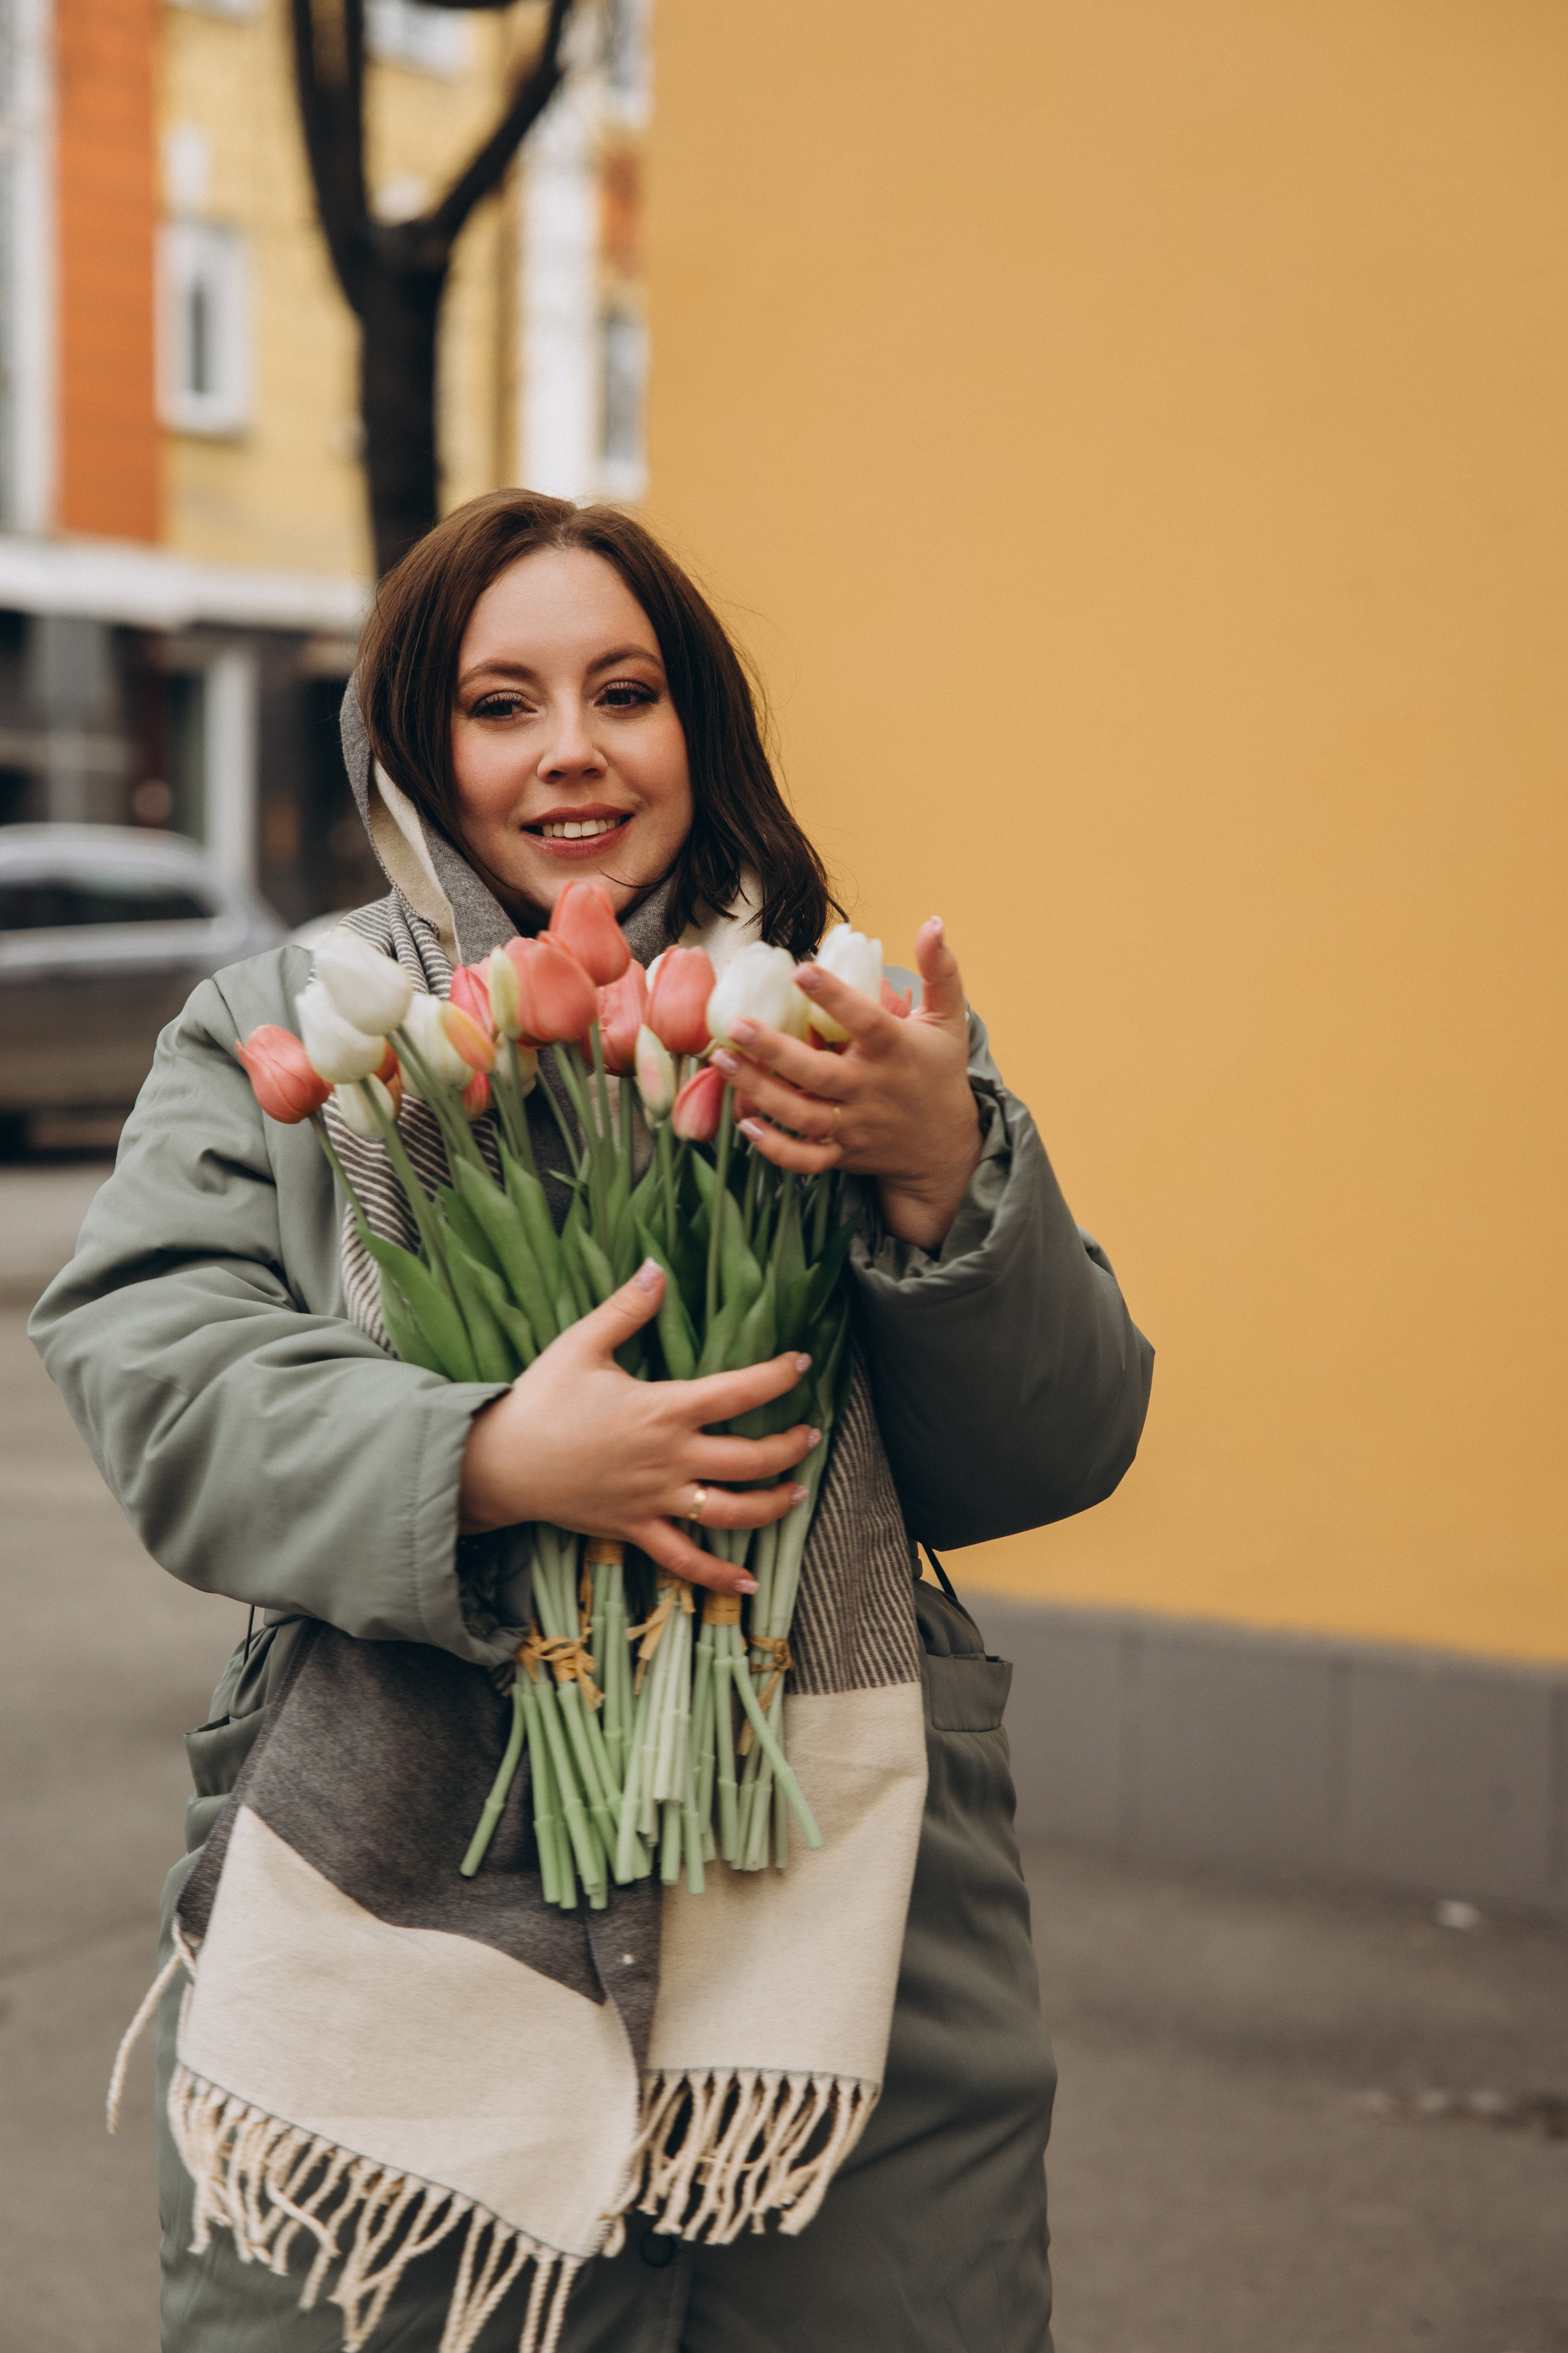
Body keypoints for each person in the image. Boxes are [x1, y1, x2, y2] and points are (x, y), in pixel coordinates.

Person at [32, 489, 1153, 2353]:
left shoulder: (835, 1027)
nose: (573, 751)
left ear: (693, 722)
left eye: (623, 690)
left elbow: (1054, 1443)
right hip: (395, 1883)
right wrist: (476, 1459)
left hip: (842, 1926)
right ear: (414, 739)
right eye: (502, 702)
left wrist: (943, 1167)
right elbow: (155, 1363)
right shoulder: (279, 1026)